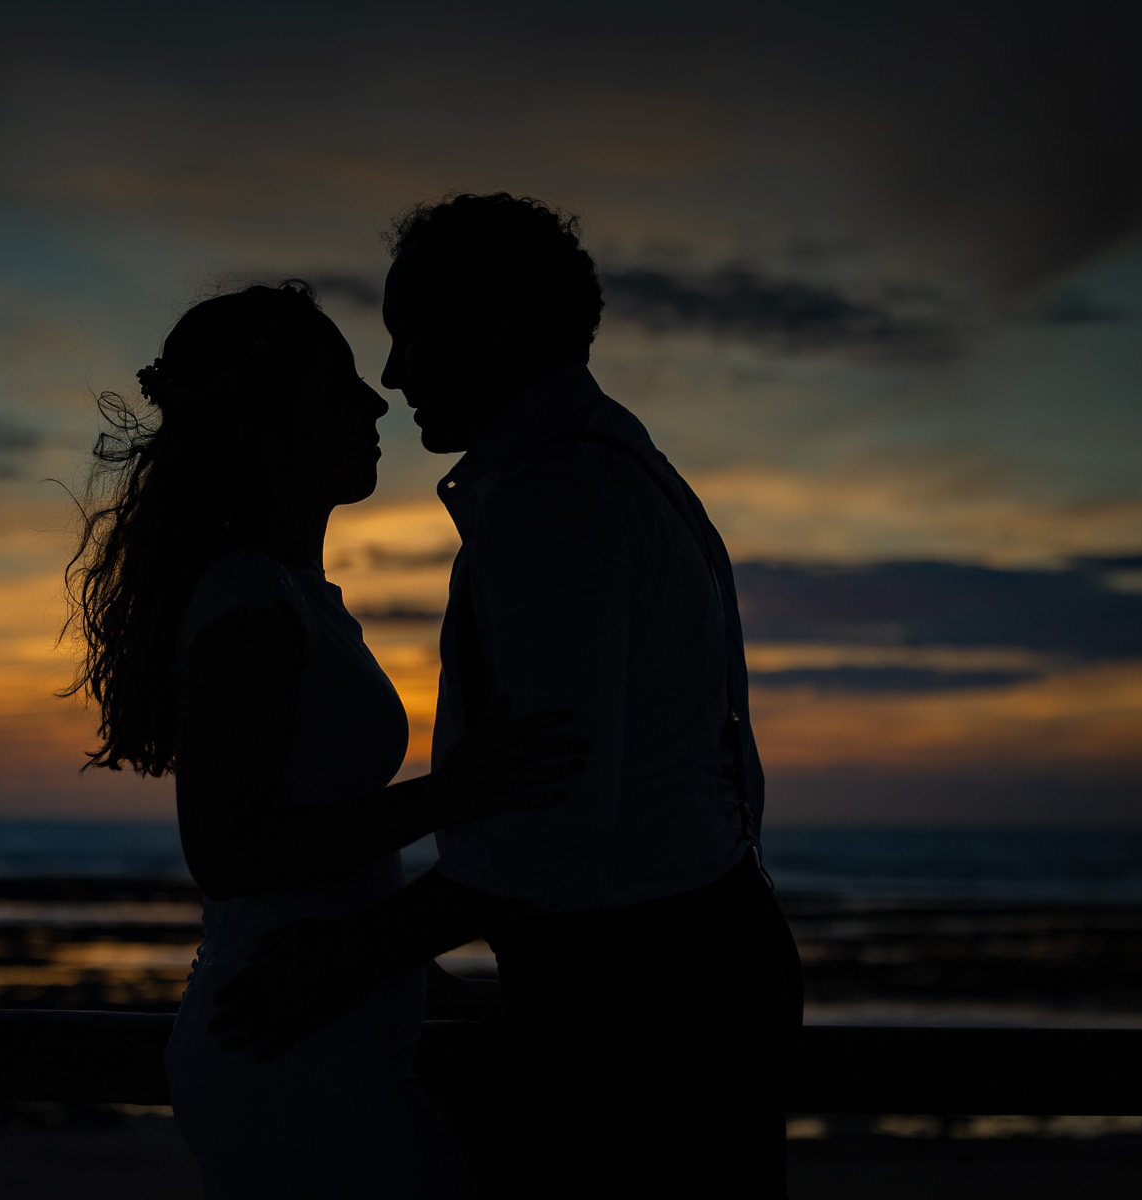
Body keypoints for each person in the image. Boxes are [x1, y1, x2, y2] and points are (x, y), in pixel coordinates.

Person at [208, 197, 805, 1198]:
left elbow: (553, 817)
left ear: (496, 323)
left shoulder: (550, 501)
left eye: (409, 333)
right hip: (689, 959)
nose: (392, 377)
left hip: (635, 994)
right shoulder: (621, 467)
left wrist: (354, 955)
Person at [62, 279, 587, 1199]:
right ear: (269, 424)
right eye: (338, 384)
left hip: (326, 1028)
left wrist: (440, 987)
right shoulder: (251, 604)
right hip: (284, 1047)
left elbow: (332, 874)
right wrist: (450, 795)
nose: (375, 402)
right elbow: (227, 854)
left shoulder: (294, 599)